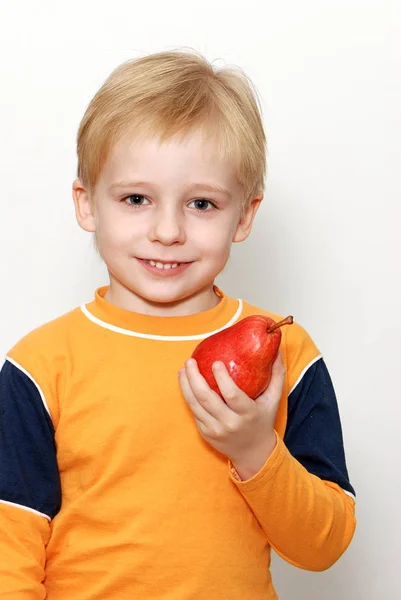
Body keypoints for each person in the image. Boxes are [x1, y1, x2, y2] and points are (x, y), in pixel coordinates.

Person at [0, 50, 356, 599]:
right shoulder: (41, 365)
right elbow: (11, 547)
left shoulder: (287, 351)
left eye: (202, 204)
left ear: (245, 215)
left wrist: (254, 449)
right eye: (136, 198)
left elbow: (324, 546)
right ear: (87, 203)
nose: (168, 230)